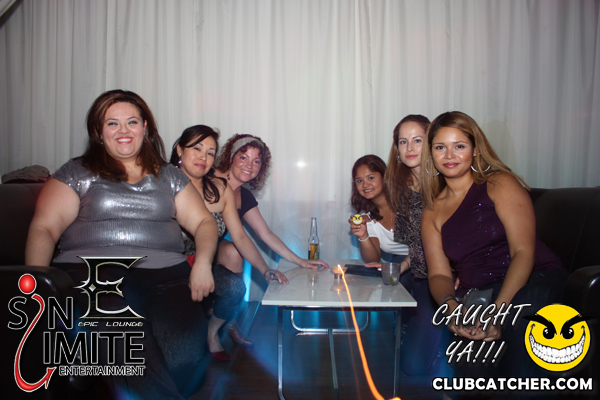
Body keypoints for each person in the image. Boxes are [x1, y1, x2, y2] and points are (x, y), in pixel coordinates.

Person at [24, 90, 217, 399]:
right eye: (112, 123)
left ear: (145, 127)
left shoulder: (169, 176)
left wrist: (203, 263)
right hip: (92, 275)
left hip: (166, 277)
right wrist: (37, 285)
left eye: (132, 122)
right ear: (98, 131)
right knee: (129, 343)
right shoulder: (76, 172)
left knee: (186, 358)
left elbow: (204, 222)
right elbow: (44, 227)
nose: (123, 131)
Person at [420, 111, 567, 382]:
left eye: (459, 146)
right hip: (479, 292)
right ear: (431, 154)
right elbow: (439, 274)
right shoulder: (431, 211)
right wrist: (451, 307)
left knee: (523, 343)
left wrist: (496, 312)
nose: (449, 155)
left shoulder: (499, 183)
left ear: (476, 150)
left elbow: (523, 252)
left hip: (533, 279)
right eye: (440, 147)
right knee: (470, 372)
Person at [170, 125, 287, 361]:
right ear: (180, 150)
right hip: (168, 265)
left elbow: (250, 235)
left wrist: (268, 268)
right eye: (197, 149)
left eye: (210, 153)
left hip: (204, 257)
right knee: (180, 352)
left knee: (235, 286)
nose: (203, 158)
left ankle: (216, 328)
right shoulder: (165, 182)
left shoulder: (223, 190)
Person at [382, 114, 450, 381]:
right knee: (379, 285)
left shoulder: (449, 182)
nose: (409, 148)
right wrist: (398, 268)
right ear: (396, 149)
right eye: (403, 142)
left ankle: (439, 338)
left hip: (446, 277)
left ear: (431, 143)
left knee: (413, 366)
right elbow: (415, 247)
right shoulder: (400, 187)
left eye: (417, 140)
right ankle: (414, 326)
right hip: (419, 272)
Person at [213, 134, 329, 274]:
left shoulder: (245, 197)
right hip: (192, 245)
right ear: (231, 158)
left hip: (214, 247)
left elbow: (266, 234)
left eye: (256, 161)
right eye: (243, 158)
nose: (249, 165)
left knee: (233, 252)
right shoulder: (210, 176)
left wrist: (300, 261)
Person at [349, 154, 409, 266]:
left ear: (384, 177)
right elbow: (373, 261)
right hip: (400, 266)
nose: (365, 185)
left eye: (371, 178)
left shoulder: (408, 202)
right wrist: (363, 236)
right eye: (359, 181)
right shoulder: (367, 218)